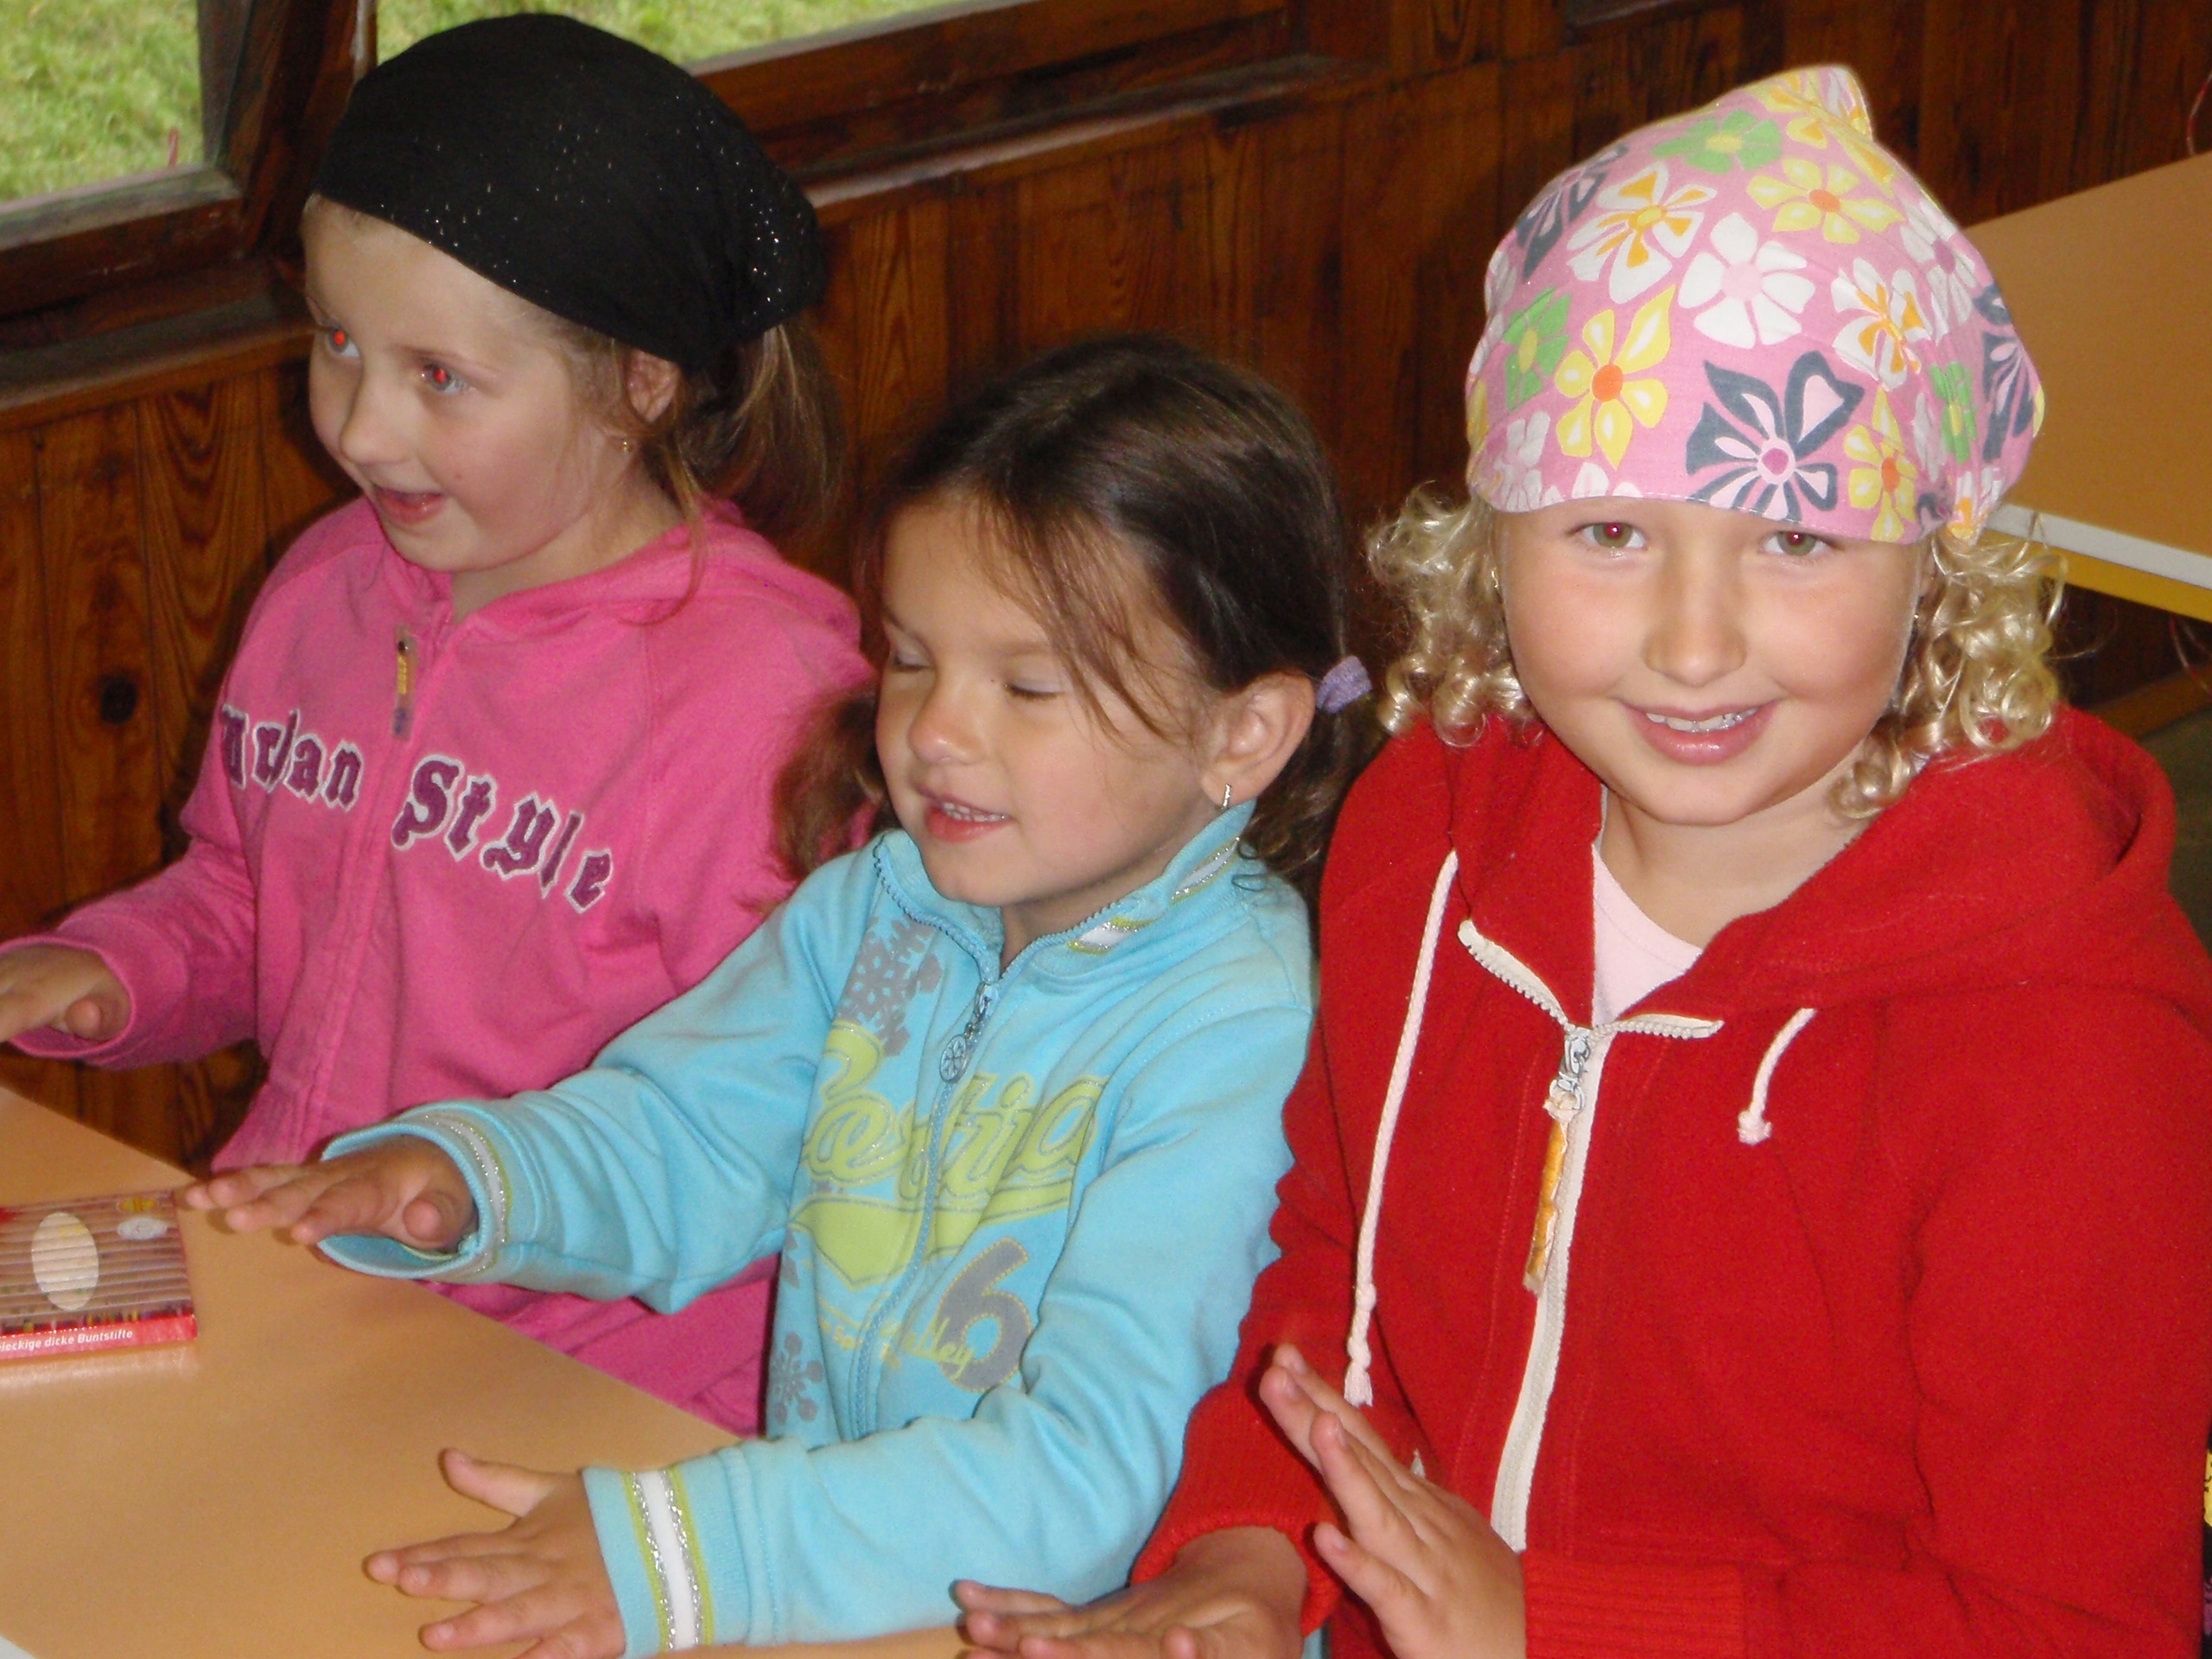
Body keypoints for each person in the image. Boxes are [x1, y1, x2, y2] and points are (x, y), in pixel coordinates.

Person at [956, 66, 2212, 1659]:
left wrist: (1556, 1622)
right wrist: (1249, 1560)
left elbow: (2082, 1624)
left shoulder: (2067, 1045)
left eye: (1797, 538)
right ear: (1492, 538)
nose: (1693, 645)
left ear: (1937, 561)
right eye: (1610, 532)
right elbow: (1341, 1272)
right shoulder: (1427, 843)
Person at [186, 334, 1382, 1657]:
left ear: (1241, 734)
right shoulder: (887, 905)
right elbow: (692, 1134)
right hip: (849, 1602)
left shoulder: (1241, 1025)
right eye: (912, 659)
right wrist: (475, 1183)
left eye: (1028, 686)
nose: (935, 733)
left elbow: (1087, 1477)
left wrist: (696, 1551)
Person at [0, 15, 869, 1432]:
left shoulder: (761, 700)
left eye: (439, 377)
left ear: (640, 381)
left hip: (595, 1382)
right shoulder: (326, 586)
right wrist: (107, 971)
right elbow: (248, 895)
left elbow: (776, 1120)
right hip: (304, 1278)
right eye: (337, 343)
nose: (360, 429)